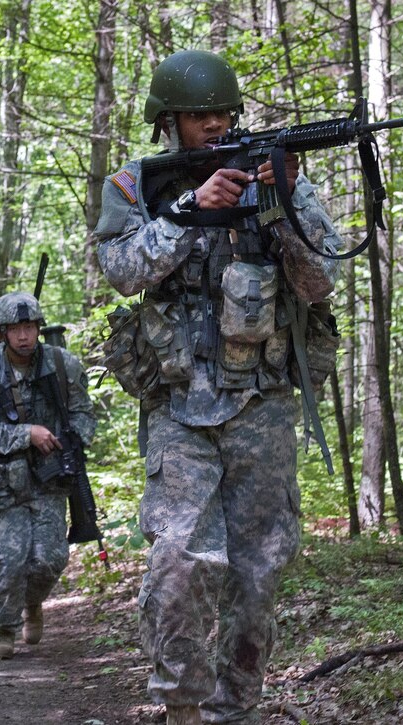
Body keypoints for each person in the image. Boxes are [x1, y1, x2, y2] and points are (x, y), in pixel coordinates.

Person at [94, 50, 343, 725]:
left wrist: (286, 201)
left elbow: (322, 281)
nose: (213, 123)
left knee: (258, 574)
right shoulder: (133, 186)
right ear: (169, 122)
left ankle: (239, 710)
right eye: (199, 114)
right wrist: (189, 211)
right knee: (180, 563)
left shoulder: (278, 177)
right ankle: (181, 707)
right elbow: (119, 268)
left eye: (223, 113)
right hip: (178, 408)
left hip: (261, 404)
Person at [0, 292, 96, 660]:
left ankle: (32, 603)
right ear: (2, 332)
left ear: (38, 328)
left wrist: (71, 441)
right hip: (5, 481)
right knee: (10, 559)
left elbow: (85, 414)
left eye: (30, 327)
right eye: (16, 329)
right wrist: (26, 434)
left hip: (50, 478)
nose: (23, 336)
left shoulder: (61, 365)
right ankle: (3, 630)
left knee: (51, 558)